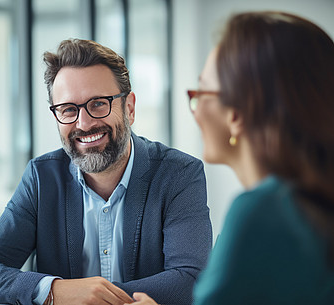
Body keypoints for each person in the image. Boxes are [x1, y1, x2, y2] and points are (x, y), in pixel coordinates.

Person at [0, 39, 212, 305]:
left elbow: (191, 279)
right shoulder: (41, 178)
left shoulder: (179, 174)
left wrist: (93, 297)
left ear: (129, 108)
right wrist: (55, 291)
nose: (84, 123)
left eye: (98, 104)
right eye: (69, 109)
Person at [126, 11, 334, 305]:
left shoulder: (262, 213)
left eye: (200, 92)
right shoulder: (307, 207)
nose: (195, 110)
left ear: (236, 114)